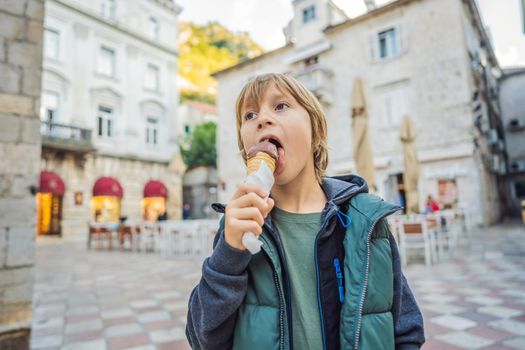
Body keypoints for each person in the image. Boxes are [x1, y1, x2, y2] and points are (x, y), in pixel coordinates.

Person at [186, 73, 425, 349]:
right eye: (249, 115)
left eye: (280, 106)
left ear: (316, 130)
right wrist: (228, 254)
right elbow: (202, 339)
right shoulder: (238, 227)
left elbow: (406, 329)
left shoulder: (366, 220)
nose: (262, 119)